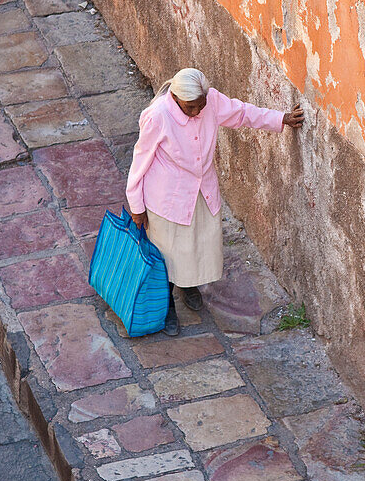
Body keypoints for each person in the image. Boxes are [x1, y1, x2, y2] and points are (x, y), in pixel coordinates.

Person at [126, 68, 304, 335]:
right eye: (190, 107)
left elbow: (243, 113)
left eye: (201, 105)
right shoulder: (157, 117)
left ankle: (188, 285)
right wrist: (137, 208)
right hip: (167, 198)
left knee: (195, 244)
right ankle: (166, 306)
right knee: (166, 252)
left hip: (201, 191)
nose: (198, 111)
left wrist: (282, 119)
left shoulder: (210, 101)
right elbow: (139, 162)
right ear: (175, 98)